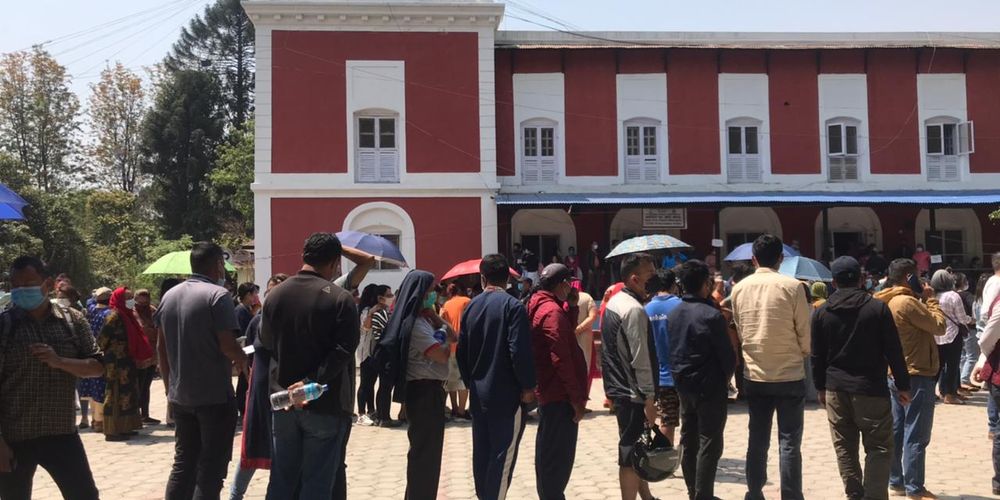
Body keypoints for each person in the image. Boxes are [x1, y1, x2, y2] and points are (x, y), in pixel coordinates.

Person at [258, 234, 358, 499]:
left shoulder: (274, 295)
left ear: (304, 256)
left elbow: (266, 342)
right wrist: (310, 382)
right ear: (336, 262)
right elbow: (344, 351)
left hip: (283, 402)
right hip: (324, 404)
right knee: (317, 482)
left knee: (282, 479)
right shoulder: (340, 298)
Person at [0, 257, 104, 500]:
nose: (20, 290)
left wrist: (60, 362)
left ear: (47, 284)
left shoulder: (73, 321)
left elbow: (98, 367)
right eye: (15, 285)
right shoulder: (4, 326)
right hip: (15, 438)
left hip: (62, 435)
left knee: (85, 495)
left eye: (28, 283)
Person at [812, 256, 912, 500]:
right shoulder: (877, 309)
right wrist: (903, 385)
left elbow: (816, 356)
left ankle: (854, 494)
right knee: (878, 447)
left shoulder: (822, 312)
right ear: (861, 279)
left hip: (836, 388)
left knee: (844, 447)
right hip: (871, 389)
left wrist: (820, 388)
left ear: (833, 282)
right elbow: (893, 350)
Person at [155, 242, 247, 500]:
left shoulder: (169, 296)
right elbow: (228, 345)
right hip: (214, 397)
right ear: (218, 264)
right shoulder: (218, 295)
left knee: (183, 465)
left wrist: (168, 388)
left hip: (181, 397)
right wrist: (244, 361)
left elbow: (160, 348)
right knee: (211, 469)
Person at [730, 234, 812, 500]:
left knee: (757, 437)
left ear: (753, 259)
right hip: (789, 372)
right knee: (789, 441)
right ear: (781, 258)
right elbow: (804, 330)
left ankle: (754, 491)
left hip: (755, 373)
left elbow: (741, 331)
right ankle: (790, 494)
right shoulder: (793, 286)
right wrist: (801, 352)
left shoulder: (739, 289)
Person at [457, 254, 537, 500]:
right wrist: (527, 386)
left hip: (479, 394)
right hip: (507, 395)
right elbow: (518, 351)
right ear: (508, 279)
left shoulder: (471, 306)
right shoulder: (513, 307)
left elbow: (462, 352)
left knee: (482, 452)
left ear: (483, 278)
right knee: (502, 456)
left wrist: (471, 381)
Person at [873, 258, 946, 500]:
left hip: (896, 372)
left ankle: (897, 481)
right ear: (908, 277)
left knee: (897, 429)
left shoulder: (887, 299)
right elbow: (939, 326)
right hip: (918, 373)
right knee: (916, 433)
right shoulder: (907, 302)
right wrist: (931, 299)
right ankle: (915, 487)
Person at [379, 270, 456, 500]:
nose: (435, 294)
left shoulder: (425, 320)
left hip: (429, 391)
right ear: (422, 293)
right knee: (425, 455)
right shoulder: (416, 326)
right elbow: (442, 354)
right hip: (424, 392)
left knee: (428, 455)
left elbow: (453, 334)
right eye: (432, 290)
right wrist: (441, 333)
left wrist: (436, 319)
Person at [669, 259, 736, 500]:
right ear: (704, 284)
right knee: (710, 442)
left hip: (684, 385)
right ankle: (703, 494)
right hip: (710, 387)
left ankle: (692, 491)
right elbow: (728, 357)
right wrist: (725, 379)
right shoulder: (711, 315)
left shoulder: (674, 313)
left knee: (689, 438)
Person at [526, 263, 588, 500]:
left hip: (549, 392)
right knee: (557, 459)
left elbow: (562, 337)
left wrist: (571, 308)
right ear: (563, 284)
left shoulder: (540, 305)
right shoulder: (551, 311)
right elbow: (561, 357)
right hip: (559, 395)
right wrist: (576, 399)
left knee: (549, 453)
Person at [600, 253, 659, 500]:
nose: (655, 280)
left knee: (637, 447)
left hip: (618, 388)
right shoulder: (633, 310)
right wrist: (648, 398)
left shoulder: (616, 303)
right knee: (630, 451)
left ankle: (646, 495)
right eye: (650, 276)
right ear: (635, 279)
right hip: (633, 392)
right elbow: (640, 358)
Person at [228, 273, 288, 500]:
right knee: (254, 442)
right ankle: (236, 494)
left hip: (287, 392)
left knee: (283, 450)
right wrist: (249, 375)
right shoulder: (257, 321)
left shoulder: (294, 320)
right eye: (271, 290)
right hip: (261, 390)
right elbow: (248, 353)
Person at [97, 287, 153, 441]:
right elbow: (102, 339)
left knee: (128, 394)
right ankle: (112, 430)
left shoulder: (128, 316)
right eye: (127, 297)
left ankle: (126, 427)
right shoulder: (114, 316)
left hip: (127, 362)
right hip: (115, 363)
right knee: (115, 394)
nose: (131, 301)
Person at [645, 268, 683, 442]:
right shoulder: (681, 306)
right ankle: (672, 457)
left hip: (655, 375)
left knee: (665, 419)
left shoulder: (646, 309)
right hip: (680, 373)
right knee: (679, 420)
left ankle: (663, 458)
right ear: (674, 284)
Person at [930, 270, 972, 404]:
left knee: (937, 366)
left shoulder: (931, 296)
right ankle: (949, 395)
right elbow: (961, 318)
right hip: (953, 335)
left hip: (935, 335)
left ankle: (930, 392)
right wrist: (971, 319)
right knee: (952, 366)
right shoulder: (953, 296)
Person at [356, 284, 391, 425]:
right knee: (365, 383)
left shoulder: (385, 310)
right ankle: (361, 413)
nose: (390, 298)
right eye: (387, 295)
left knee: (372, 382)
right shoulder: (366, 310)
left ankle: (371, 410)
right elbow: (365, 326)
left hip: (376, 351)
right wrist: (372, 312)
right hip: (366, 351)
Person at [79, 287, 113, 433]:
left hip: (91, 352)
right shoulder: (109, 314)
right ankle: (101, 421)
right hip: (104, 353)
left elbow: (89, 302)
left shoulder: (91, 310)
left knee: (93, 387)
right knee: (101, 388)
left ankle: (95, 420)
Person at [440, 283, 472, 420]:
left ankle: (453, 408)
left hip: (449, 346)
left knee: (451, 380)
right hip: (464, 346)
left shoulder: (446, 305)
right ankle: (461, 411)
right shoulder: (467, 301)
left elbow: (442, 324)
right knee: (463, 380)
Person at [133, 289, 161, 425]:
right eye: (140, 300)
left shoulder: (152, 310)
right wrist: (150, 330)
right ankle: (136, 414)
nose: (143, 303)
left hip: (152, 354)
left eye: (146, 299)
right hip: (139, 355)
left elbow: (158, 328)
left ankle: (145, 414)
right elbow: (141, 329)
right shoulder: (133, 312)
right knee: (138, 384)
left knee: (146, 385)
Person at [572, 281, 598, 404]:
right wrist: (580, 328)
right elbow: (593, 316)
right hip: (584, 337)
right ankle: (582, 401)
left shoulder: (563, 296)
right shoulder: (587, 297)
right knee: (585, 367)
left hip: (568, 335)